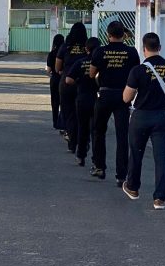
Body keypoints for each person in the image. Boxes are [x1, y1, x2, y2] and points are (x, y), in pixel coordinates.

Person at [122, 32, 165, 210]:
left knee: (136, 153)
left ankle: (133, 188)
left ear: (144, 49)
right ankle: (159, 198)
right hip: (161, 117)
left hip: (141, 117)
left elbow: (126, 97)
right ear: (159, 48)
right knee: (161, 158)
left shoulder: (138, 70)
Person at [89, 21, 140, 183]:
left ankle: (99, 167)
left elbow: (91, 74)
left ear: (108, 35)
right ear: (123, 34)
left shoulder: (100, 51)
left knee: (98, 131)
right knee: (122, 135)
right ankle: (121, 175)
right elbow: (136, 74)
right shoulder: (131, 52)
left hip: (104, 94)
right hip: (123, 96)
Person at [65, 37, 100, 167]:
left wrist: (78, 82)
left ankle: (80, 155)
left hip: (82, 98)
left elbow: (68, 80)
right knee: (96, 130)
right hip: (96, 99)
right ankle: (96, 159)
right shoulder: (101, 63)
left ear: (86, 49)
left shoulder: (80, 62)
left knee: (82, 127)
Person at [55, 22, 88, 154]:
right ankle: (83, 141)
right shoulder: (87, 47)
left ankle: (72, 143)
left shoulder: (65, 46)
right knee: (83, 115)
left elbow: (57, 67)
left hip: (67, 83)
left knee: (69, 113)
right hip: (83, 83)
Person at [46, 34, 65, 131]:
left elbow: (48, 70)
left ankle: (55, 122)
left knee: (54, 101)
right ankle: (62, 121)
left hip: (54, 79)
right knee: (63, 101)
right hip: (63, 79)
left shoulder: (51, 53)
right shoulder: (65, 53)